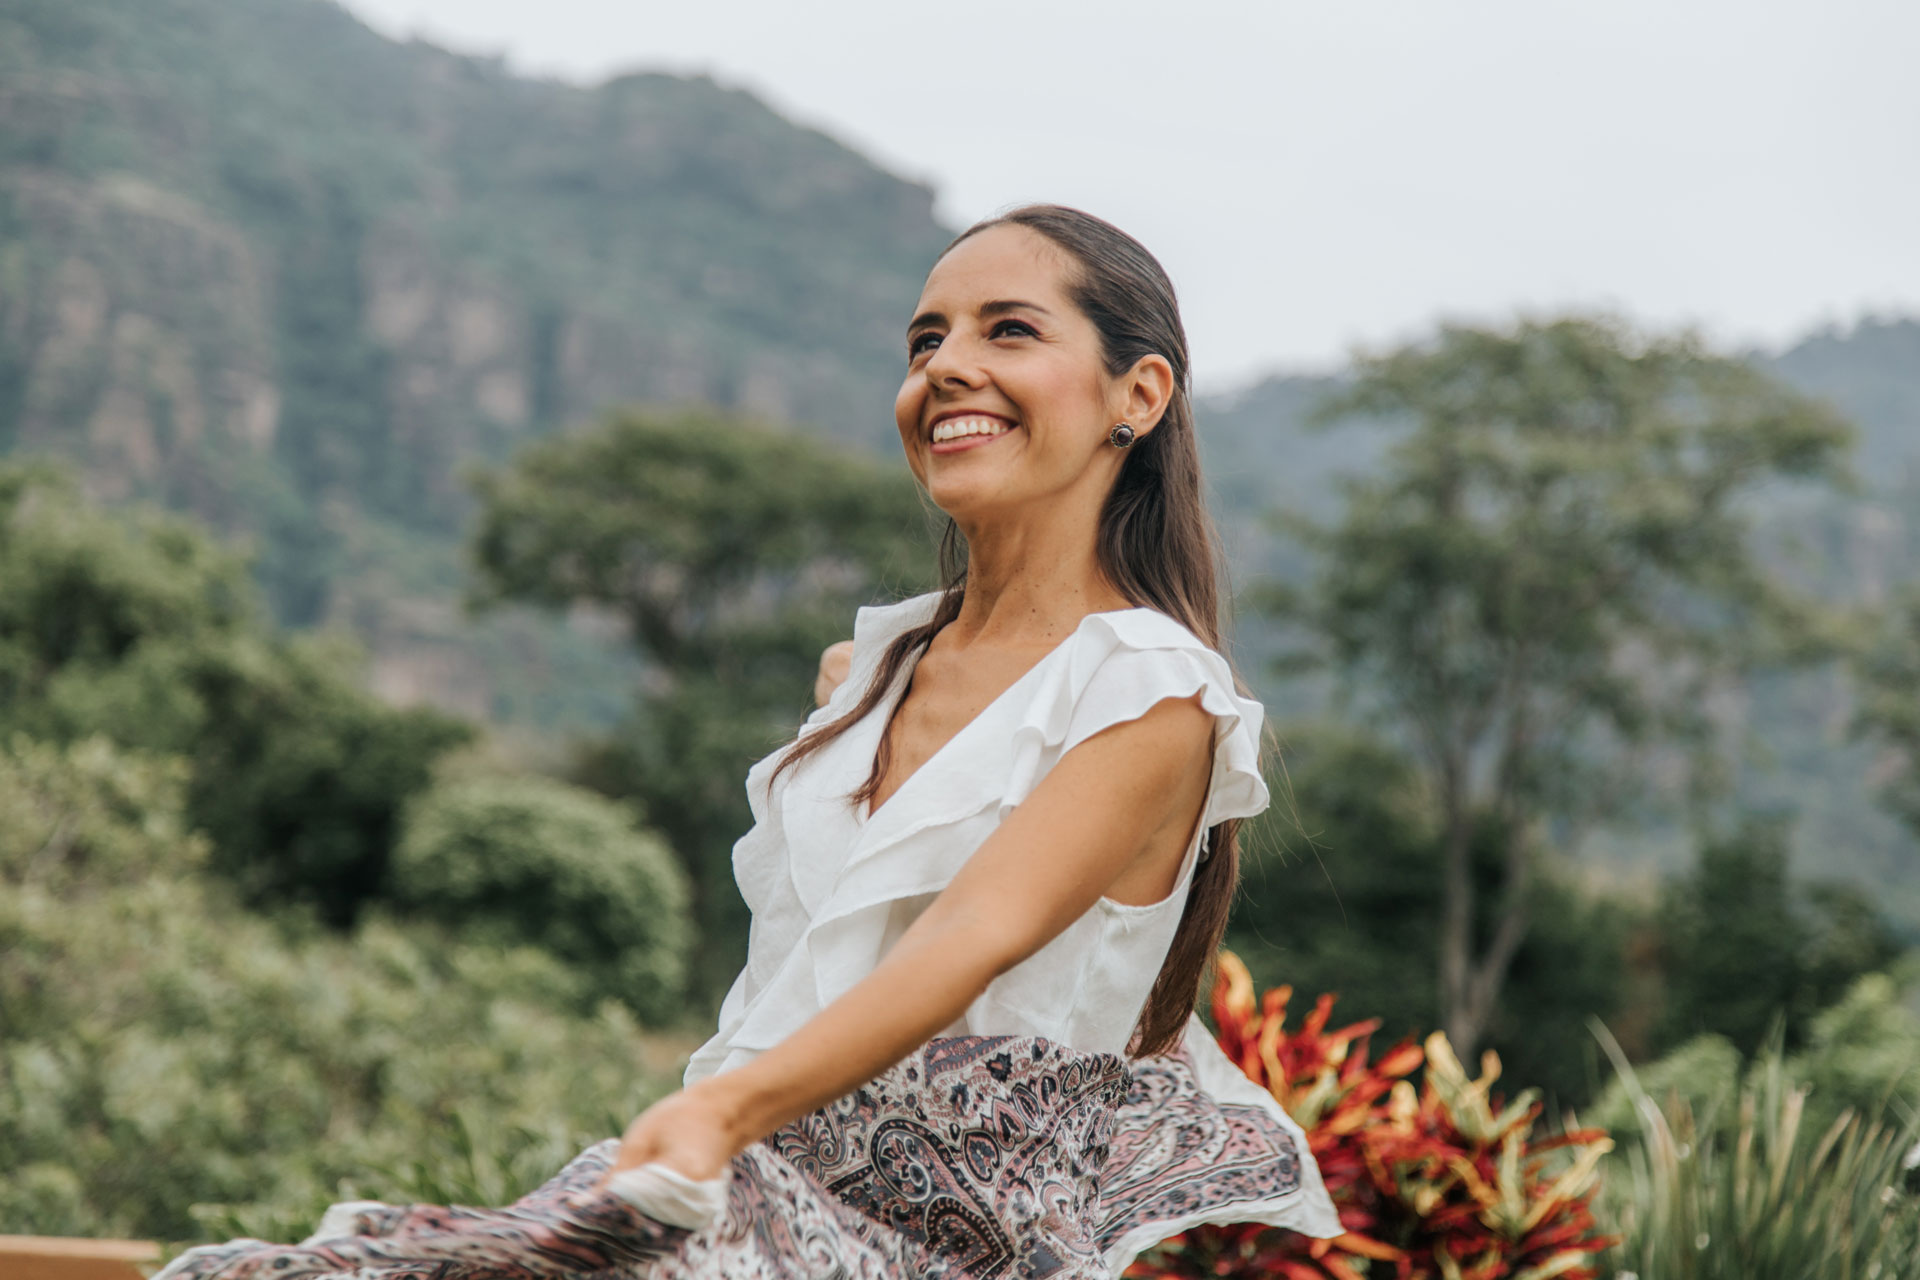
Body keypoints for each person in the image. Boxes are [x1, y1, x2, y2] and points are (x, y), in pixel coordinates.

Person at [156, 205, 1339, 1280]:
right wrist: (712, 1132)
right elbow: (796, 966)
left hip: (955, 1237)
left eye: (1009, 330)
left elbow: (974, 933)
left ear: (1139, 394)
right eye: (924, 341)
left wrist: (722, 1120)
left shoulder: (1153, 688)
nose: (948, 368)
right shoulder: (869, 673)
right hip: (745, 1186)